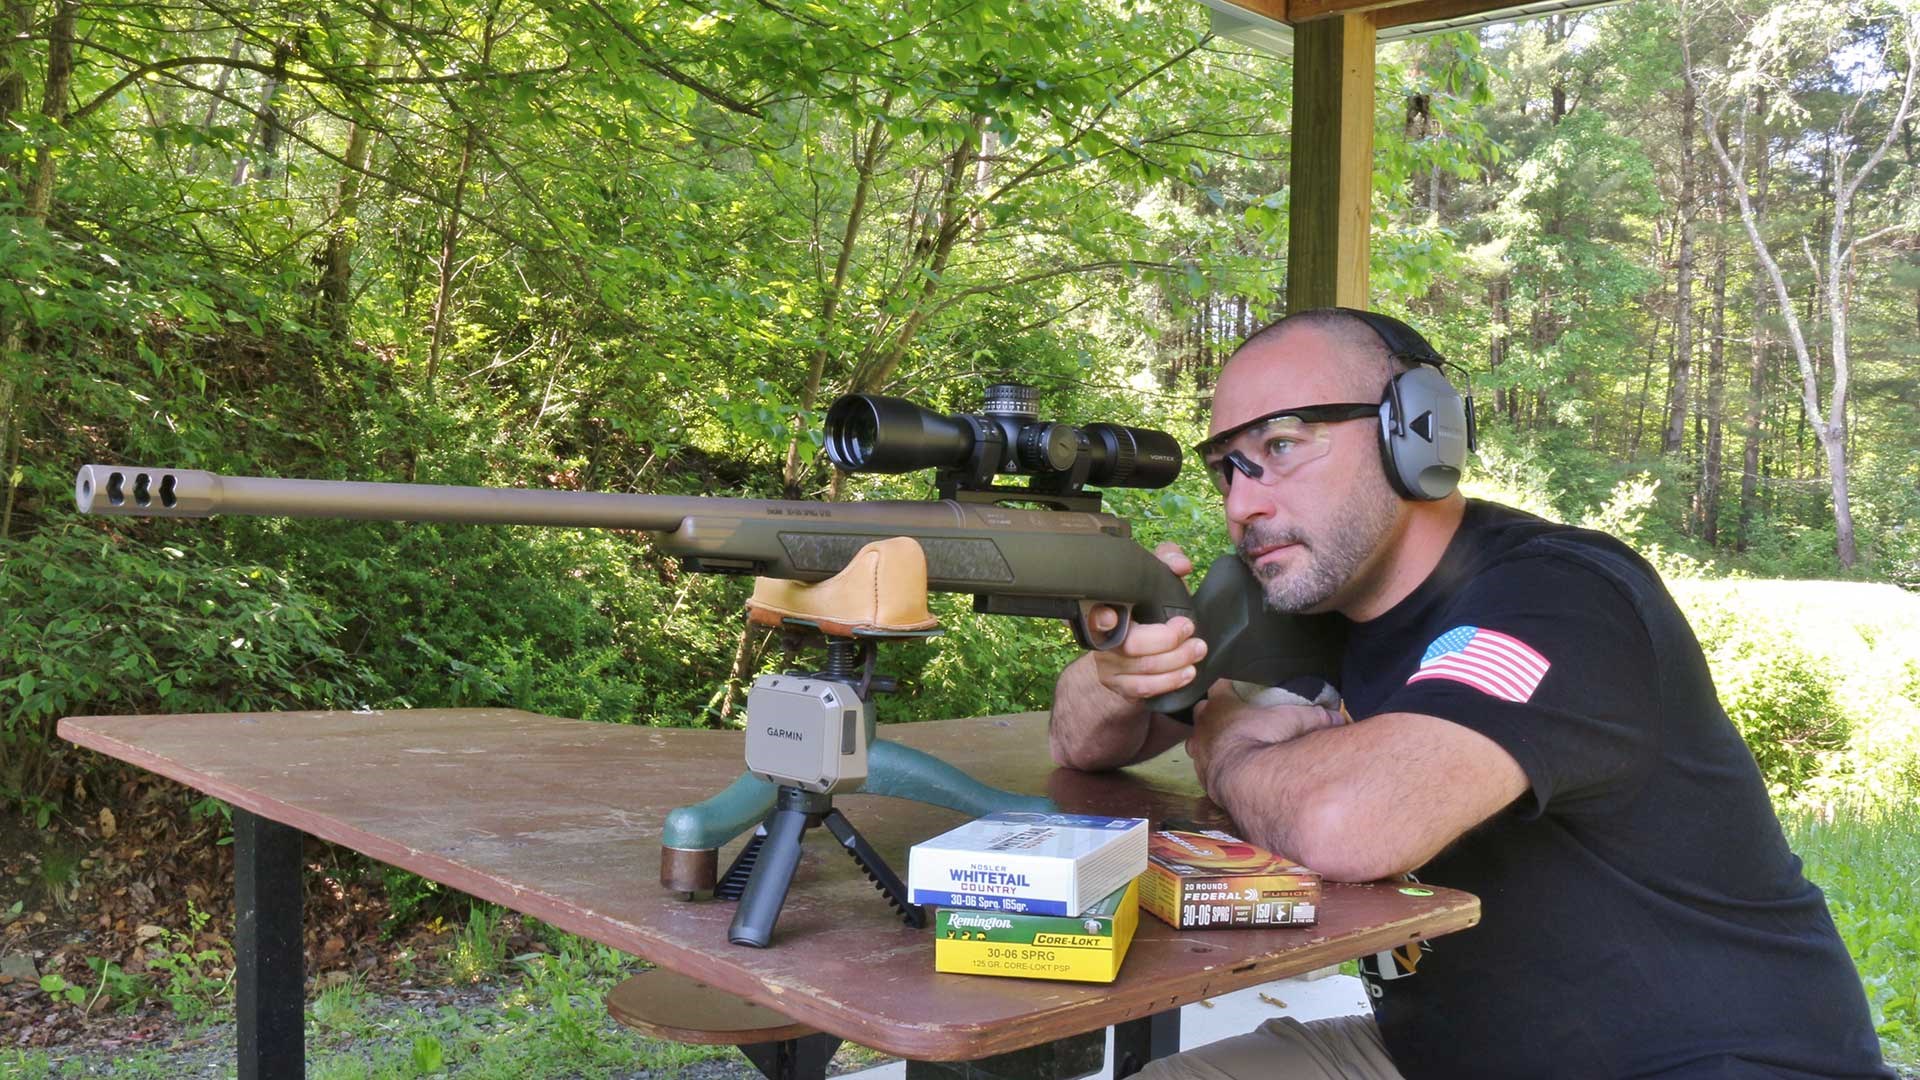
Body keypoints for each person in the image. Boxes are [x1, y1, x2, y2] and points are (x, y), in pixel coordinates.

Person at [1048, 308, 1889, 1079]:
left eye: (1282, 446)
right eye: (1227, 467)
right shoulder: (1314, 600)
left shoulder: (1557, 596)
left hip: (1705, 1058)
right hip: (1438, 1053)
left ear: (1416, 431)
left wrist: (1227, 744)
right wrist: (1126, 667)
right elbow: (1083, 742)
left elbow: (1350, 822)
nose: (1243, 502)